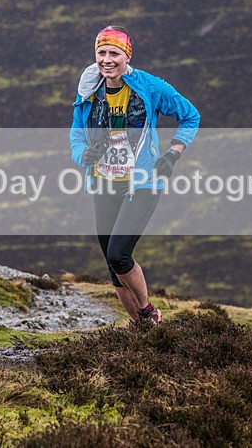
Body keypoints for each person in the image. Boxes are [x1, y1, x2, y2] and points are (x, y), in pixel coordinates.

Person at [70, 26, 200, 324]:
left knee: (119, 255)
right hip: (103, 183)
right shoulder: (88, 91)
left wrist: (173, 153)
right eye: (101, 53)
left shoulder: (149, 87)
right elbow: (77, 136)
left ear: (127, 56)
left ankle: (147, 311)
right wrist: (83, 156)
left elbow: (191, 115)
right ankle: (141, 330)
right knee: (111, 264)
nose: (107, 60)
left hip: (142, 184)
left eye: (114, 53)